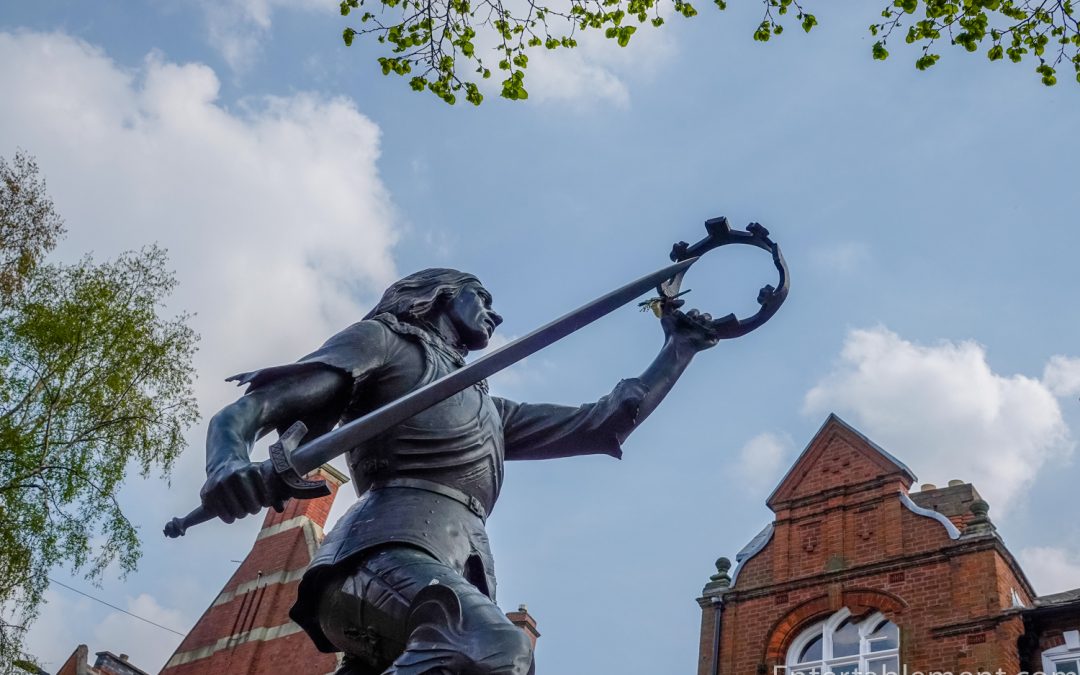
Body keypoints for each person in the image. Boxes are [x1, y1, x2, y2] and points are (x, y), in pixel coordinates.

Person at [199, 268, 730, 675]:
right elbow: (249, 411)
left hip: (452, 565)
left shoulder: (488, 409)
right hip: (376, 553)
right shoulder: (386, 341)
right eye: (484, 299)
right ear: (441, 295)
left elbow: (605, 420)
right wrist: (227, 462)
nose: (495, 317)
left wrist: (679, 347)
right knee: (497, 647)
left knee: (494, 654)